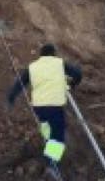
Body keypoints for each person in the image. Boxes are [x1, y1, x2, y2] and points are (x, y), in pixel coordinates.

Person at [7, 43, 83, 178]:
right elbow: (77, 74)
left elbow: (19, 84)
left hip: (39, 108)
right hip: (54, 106)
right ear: (53, 54)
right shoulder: (59, 63)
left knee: (48, 131)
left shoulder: (33, 67)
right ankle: (51, 165)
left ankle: (49, 158)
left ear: (41, 55)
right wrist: (72, 84)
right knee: (58, 136)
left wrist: (11, 98)